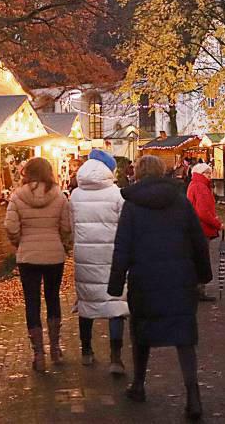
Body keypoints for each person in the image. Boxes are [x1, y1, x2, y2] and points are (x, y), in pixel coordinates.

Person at [109, 155, 212, 421]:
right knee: (184, 338)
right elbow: (198, 240)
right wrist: (203, 274)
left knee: (142, 333)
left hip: (145, 280)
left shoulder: (131, 206)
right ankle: (193, 396)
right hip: (180, 279)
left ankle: (139, 385)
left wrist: (115, 284)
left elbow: (122, 247)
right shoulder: (180, 201)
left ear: (138, 174)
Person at [4, 157, 73, 372]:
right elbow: (66, 226)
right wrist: (62, 243)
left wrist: (19, 242)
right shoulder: (60, 196)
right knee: (53, 298)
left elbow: (10, 226)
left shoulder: (17, 196)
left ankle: (38, 355)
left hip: (28, 256)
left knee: (32, 302)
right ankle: (55, 348)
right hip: (53, 255)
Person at [69, 149, 129, 374]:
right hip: (112, 256)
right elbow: (124, 227)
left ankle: (86, 351)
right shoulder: (117, 194)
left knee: (87, 301)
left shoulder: (75, 194)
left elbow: (72, 225)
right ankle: (116, 357)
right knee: (115, 304)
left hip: (85, 256)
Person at [186, 162, 222, 302]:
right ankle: (199, 290)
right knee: (201, 259)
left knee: (197, 258)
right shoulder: (201, 187)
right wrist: (217, 223)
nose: (210, 175)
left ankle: (195, 289)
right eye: (207, 173)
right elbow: (202, 211)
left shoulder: (193, 185)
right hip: (202, 228)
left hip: (196, 227)